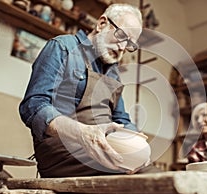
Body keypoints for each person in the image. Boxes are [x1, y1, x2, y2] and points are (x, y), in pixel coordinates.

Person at [19, 3, 151, 177]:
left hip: (101, 147)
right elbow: (34, 106)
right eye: (121, 36)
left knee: (150, 170)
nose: (122, 48)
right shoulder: (63, 46)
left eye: (129, 44)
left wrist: (138, 144)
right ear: (102, 23)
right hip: (62, 152)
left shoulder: (113, 73)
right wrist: (83, 133)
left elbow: (121, 119)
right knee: (142, 178)